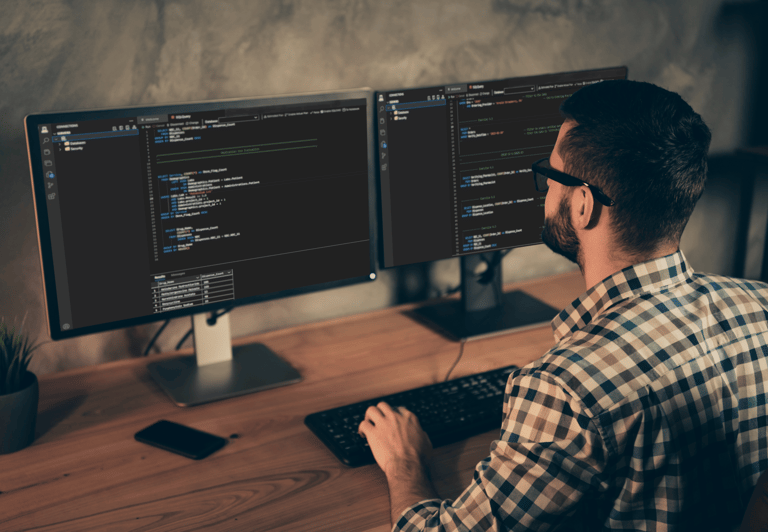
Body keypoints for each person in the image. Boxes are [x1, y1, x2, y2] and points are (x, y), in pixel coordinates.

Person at [358, 79, 768, 531]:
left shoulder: (566, 390)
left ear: (583, 205)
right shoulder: (760, 306)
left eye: (550, 175)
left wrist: (405, 464)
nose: (546, 189)